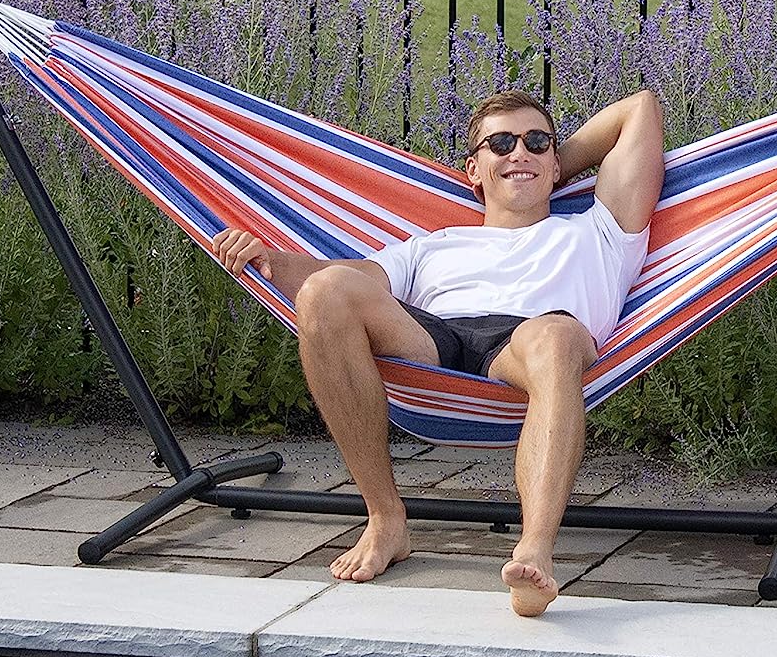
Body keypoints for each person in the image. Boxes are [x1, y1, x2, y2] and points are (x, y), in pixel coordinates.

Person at [210, 87, 664, 617]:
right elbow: (346, 278)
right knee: (322, 292)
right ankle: (385, 518)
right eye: (501, 144)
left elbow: (639, 108)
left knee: (556, 338)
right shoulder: (433, 243)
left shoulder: (602, 229)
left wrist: (548, 165)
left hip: (532, 340)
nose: (520, 152)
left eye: (537, 142)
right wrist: (267, 257)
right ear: (473, 169)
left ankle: (535, 550)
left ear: (556, 159)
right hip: (435, 339)